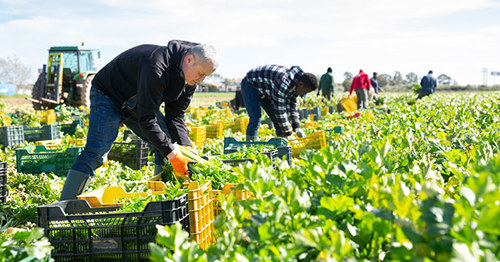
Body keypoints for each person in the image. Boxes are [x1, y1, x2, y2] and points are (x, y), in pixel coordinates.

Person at [59, 40, 218, 200]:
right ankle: (64, 207)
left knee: (168, 145)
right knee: (96, 153)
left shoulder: (189, 80)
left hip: (136, 102)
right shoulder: (157, 66)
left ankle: (165, 199)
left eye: (206, 76)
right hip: (108, 96)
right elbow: (147, 120)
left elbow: (175, 116)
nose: (202, 79)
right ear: (189, 59)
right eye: (201, 73)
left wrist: (184, 147)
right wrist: (173, 154)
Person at [240, 65, 318, 141]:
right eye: (306, 91)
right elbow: (280, 111)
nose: (304, 94)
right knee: (255, 118)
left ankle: (282, 145)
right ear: (301, 84)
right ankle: (250, 145)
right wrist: (289, 134)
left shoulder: (296, 85)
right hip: (250, 84)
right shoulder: (283, 81)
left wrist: (296, 127)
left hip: (266, 89)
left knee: (277, 119)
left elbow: (292, 108)